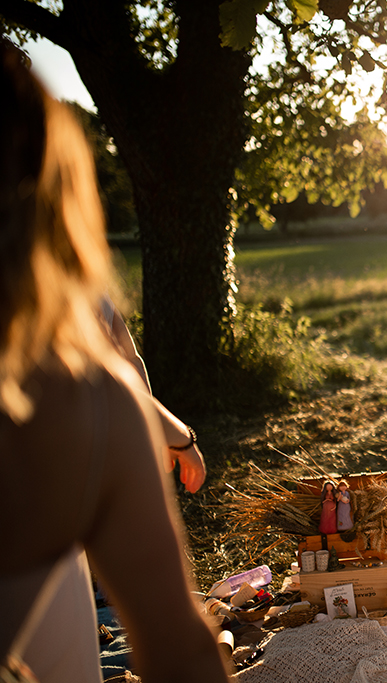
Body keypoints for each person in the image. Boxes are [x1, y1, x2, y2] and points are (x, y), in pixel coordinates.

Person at [0, 43, 229, 682]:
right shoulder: (80, 407)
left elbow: (125, 365)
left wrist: (175, 434)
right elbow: (181, 652)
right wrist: (173, 435)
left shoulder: (93, 387)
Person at [101, 297, 207, 493]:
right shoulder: (65, 289)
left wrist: (149, 430)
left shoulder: (96, 289)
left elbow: (130, 358)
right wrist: (175, 433)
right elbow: (99, 373)